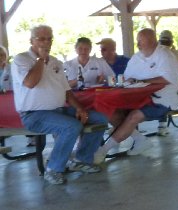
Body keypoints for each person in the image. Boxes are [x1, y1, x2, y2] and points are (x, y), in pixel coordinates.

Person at [11, 25, 107, 184]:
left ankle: (81, 160)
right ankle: (53, 169)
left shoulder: (55, 61)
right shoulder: (21, 59)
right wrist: (41, 59)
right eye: (41, 39)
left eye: (49, 39)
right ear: (31, 40)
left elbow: (67, 91)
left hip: (58, 110)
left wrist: (80, 108)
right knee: (71, 126)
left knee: (100, 118)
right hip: (34, 115)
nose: (46, 42)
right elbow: (30, 83)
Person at [94, 28, 178, 160]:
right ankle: (140, 140)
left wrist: (143, 81)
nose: (138, 44)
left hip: (161, 100)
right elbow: (128, 78)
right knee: (112, 112)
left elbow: (168, 79)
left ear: (151, 41)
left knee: (134, 116)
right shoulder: (137, 57)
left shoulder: (165, 55)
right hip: (136, 98)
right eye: (137, 41)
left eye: (140, 40)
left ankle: (102, 151)